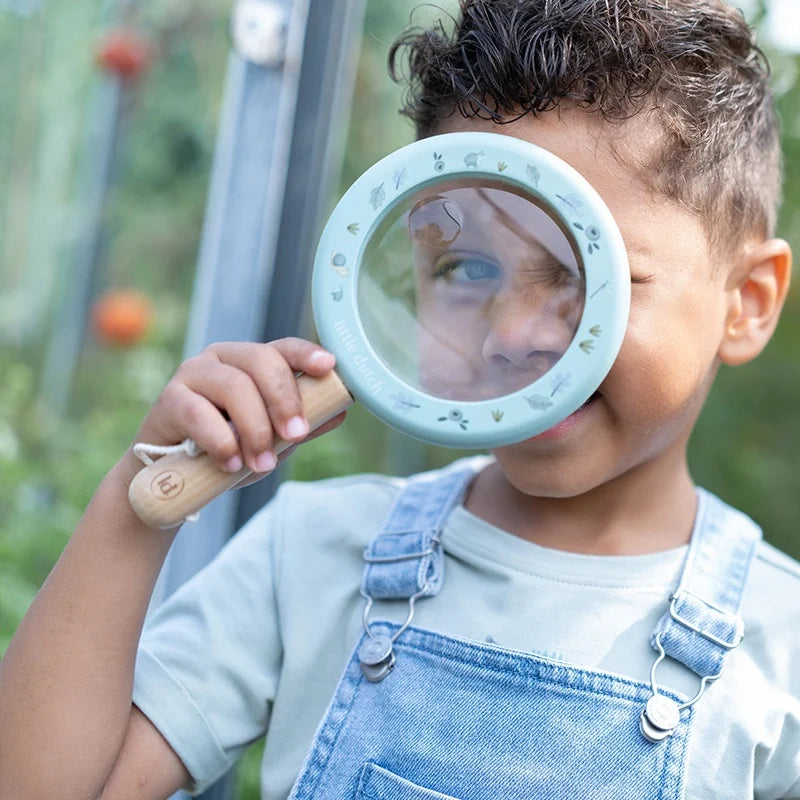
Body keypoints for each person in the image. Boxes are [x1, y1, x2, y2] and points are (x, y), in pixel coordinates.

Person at [1, 1, 797, 798]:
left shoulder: (782, 646)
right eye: (467, 270)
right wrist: (134, 507)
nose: (513, 334)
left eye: (585, 272)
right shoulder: (313, 556)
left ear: (749, 301)